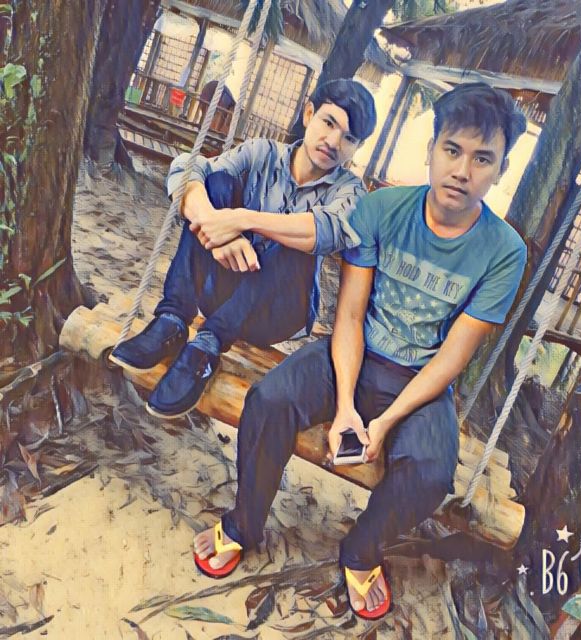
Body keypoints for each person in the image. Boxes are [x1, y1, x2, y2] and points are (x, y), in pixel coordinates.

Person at [192, 82, 528, 621]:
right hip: (352, 354)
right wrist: (347, 406)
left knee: (431, 472)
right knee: (268, 401)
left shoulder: (504, 252)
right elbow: (349, 315)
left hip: (421, 380)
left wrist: (387, 421)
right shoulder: (381, 209)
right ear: (432, 150)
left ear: (500, 170)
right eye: (452, 150)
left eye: (482, 159)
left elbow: (452, 358)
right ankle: (244, 523)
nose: (462, 171)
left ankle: (361, 551)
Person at [109, 79, 377, 418]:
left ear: (357, 147)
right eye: (329, 122)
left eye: (349, 138)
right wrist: (214, 224)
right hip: (223, 287)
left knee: (298, 240)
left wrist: (240, 220)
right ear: (309, 114)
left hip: (277, 313)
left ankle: (206, 348)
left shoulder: (351, 191)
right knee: (215, 185)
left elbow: (329, 230)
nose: (334, 141)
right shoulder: (262, 153)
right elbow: (186, 169)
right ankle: (172, 319)